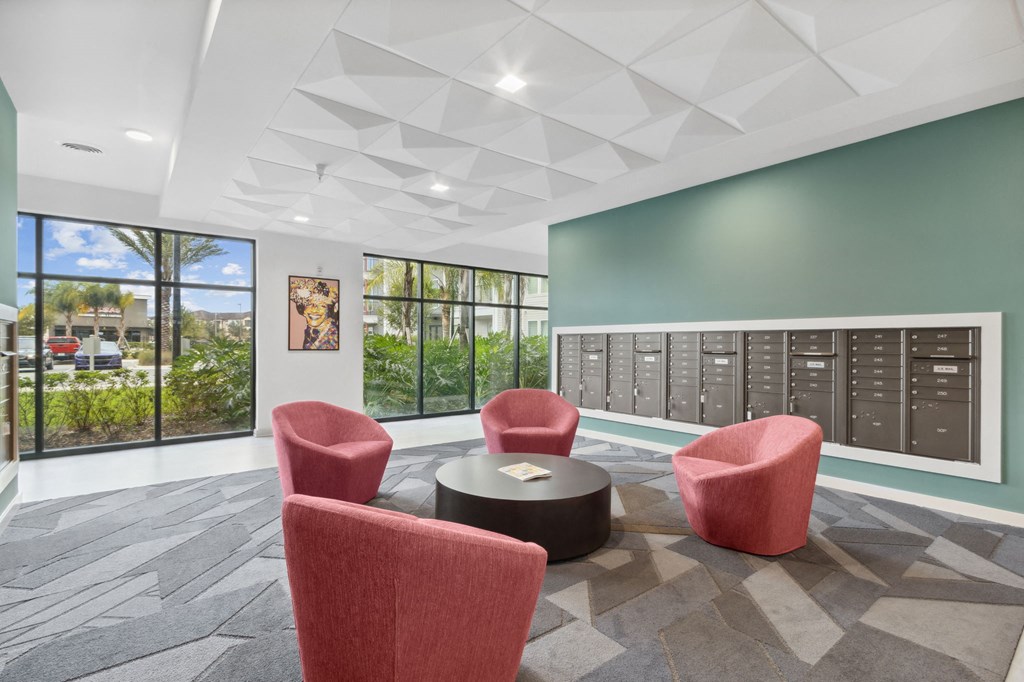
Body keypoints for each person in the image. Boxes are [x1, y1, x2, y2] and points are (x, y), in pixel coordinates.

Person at [289, 277, 339, 350]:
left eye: (322, 306)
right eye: (309, 304)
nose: (314, 310)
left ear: (331, 309)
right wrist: (299, 288)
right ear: (303, 308)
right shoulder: (311, 331)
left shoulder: (333, 337)